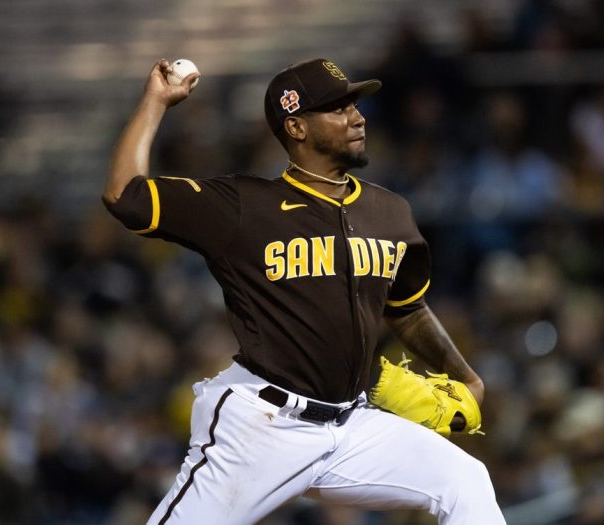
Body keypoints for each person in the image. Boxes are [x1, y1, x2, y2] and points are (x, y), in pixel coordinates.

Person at [102, 57, 506, 525]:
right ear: (296, 126)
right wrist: (156, 100)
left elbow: (409, 309)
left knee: (465, 480)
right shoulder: (243, 207)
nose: (357, 117)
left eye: (354, 105)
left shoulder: (390, 211)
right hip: (261, 426)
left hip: (352, 425)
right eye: (337, 108)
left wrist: (467, 378)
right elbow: (124, 195)